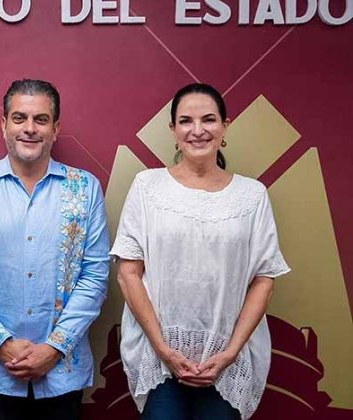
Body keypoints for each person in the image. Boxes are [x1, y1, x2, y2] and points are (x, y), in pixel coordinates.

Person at [111, 83, 290, 420]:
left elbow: (264, 281)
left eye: (208, 119)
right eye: (186, 121)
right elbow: (128, 274)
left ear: (225, 126)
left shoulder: (252, 196)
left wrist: (230, 353)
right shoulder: (147, 186)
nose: (197, 130)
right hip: (158, 358)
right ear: (173, 130)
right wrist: (163, 350)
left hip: (228, 361)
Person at [0, 79, 110, 420]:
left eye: (41, 119)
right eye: (19, 118)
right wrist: (1, 343)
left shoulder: (84, 188)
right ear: (3, 124)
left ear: (56, 128)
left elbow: (94, 276)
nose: (29, 128)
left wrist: (54, 348)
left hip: (61, 372)